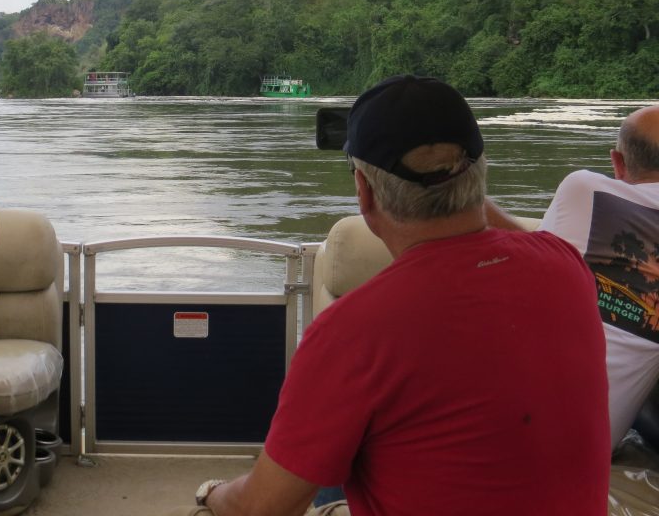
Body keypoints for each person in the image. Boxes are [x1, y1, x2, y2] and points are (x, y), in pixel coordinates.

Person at [173, 75, 610, 516]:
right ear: (479, 173)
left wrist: (211, 492)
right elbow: (509, 233)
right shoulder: (565, 266)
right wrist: (458, 183)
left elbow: (261, 508)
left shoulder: (354, 331)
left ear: (364, 191)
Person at [533, 104, 659, 451]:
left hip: (507, 411)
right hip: (585, 449)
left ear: (617, 162)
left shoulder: (583, 188)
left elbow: (535, 254)